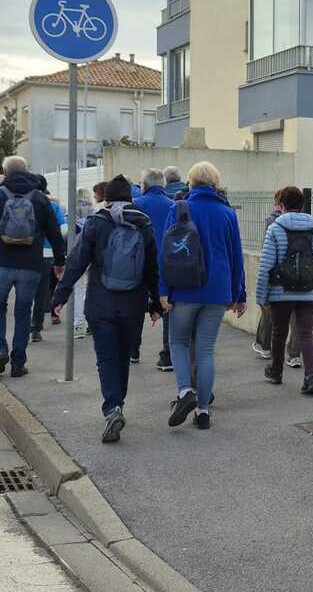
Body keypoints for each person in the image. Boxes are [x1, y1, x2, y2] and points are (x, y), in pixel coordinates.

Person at [51, 175, 159, 443]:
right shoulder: (143, 223)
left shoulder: (96, 222)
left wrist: (60, 295)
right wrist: (156, 303)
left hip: (100, 302)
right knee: (123, 355)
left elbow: (77, 261)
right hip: (133, 303)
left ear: (107, 199)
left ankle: (113, 407)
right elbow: (152, 268)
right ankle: (118, 402)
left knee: (106, 357)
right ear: (130, 198)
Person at [158, 161, 246, 431]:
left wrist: (163, 290)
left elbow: (165, 254)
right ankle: (203, 410)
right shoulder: (227, 213)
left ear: (191, 182)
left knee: (178, 341)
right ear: (215, 183)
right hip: (218, 290)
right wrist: (239, 294)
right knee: (206, 350)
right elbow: (236, 256)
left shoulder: (178, 208)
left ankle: (185, 391)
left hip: (185, 288)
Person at [0, 156, 65, 378]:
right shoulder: (40, 199)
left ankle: (0, 349)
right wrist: (59, 261)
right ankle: (18, 362)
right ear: (27, 171)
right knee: (23, 311)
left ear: (5, 171)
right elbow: (54, 233)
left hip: (0, 264)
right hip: (31, 264)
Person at [255, 186, 313, 395]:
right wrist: (308, 274)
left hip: (281, 292)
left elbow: (266, 265)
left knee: (279, 332)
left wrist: (261, 296)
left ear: (281, 205)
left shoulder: (275, 229)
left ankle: (276, 371)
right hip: (310, 292)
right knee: (306, 333)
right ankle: (311, 376)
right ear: (302, 205)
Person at [134, 169, 178, 371]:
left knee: (136, 305)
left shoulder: (135, 205)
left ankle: (133, 349)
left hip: (140, 263)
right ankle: (167, 355)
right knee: (168, 307)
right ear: (163, 185)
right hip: (167, 263)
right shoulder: (174, 205)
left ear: (144, 185)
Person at [252, 202, 304, 368]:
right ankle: (294, 356)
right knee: (297, 319)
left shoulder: (273, 224)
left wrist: (261, 292)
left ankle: (270, 354)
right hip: (302, 280)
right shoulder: (309, 225)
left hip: (280, 279)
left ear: (281, 205)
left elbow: (267, 258)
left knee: (275, 318)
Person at [72, 181, 110, 342]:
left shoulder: (70, 213)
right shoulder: (96, 211)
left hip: (76, 254)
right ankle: (90, 323)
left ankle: (78, 325)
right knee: (91, 290)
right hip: (94, 255)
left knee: (78, 290)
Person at [30, 192, 70, 342]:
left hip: (25, 252)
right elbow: (64, 229)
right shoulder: (54, 206)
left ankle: (23, 327)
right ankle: (36, 327)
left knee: (25, 291)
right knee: (41, 292)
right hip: (47, 252)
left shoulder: (23, 202)